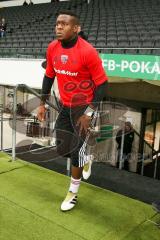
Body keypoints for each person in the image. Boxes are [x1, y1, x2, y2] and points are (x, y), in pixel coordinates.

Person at [38, 10, 108, 211]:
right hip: (64, 105)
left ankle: (73, 193)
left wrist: (89, 112)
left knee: (77, 151)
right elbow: (49, 76)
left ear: (76, 28)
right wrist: (42, 103)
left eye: (64, 24)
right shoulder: (52, 48)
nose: (59, 27)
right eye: (57, 23)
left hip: (84, 108)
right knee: (62, 148)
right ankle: (87, 158)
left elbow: (102, 84)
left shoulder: (87, 51)